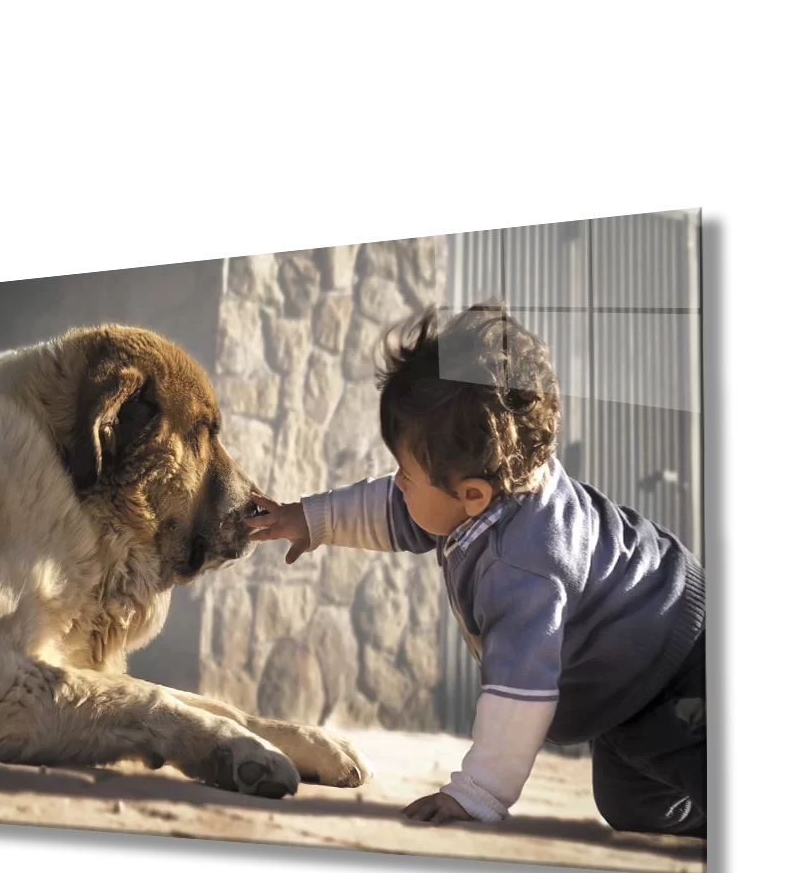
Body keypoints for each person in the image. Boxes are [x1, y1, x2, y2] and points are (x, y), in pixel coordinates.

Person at [244, 301, 706, 836]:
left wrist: (477, 792)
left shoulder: (525, 564)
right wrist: (310, 518)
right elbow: (392, 510)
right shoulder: (480, 499)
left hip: (681, 672)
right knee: (633, 810)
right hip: (624, 696)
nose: (396, 483)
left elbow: (519, 685)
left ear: (471, 494)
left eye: (404, 474)